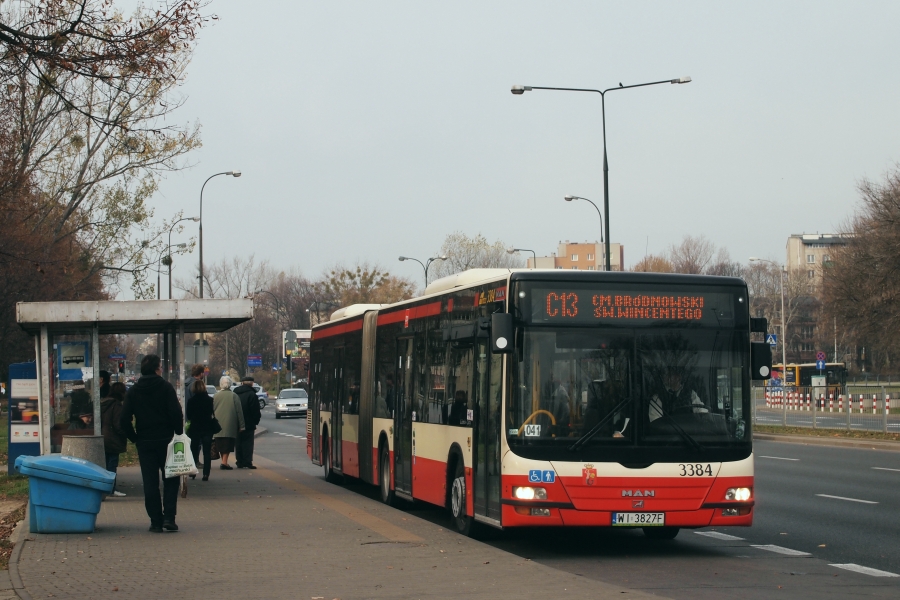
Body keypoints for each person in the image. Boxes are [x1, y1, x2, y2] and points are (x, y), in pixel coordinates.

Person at [120, 354, 184, 533]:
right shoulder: (166, 387)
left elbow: (124, 419)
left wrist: (134, 438)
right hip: (166, 440)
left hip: (145, 441)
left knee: (150, 482)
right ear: (157, 369)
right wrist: (178, 433)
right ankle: (169, 518)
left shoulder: (133, 391)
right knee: (171, 478)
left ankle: (156, 521)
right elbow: (176, 413)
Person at [100, 382, 128, 496]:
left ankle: (104, 488)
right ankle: (111, 488)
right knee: (112, 465)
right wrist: (125, 434)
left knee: (104, 464)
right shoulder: (117, 406)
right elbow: (118, 424)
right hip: (113, 439)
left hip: (102, 437)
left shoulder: (103, 403)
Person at [185, 380, 215, 481]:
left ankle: (193, 472)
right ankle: (206, 473)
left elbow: (188, 416)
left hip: (195, 428)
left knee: (194, 450)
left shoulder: (191, 401)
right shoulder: (210, 400)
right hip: (207, 428)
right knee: (206, 451)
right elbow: (211, 413)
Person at [213, 376, 245, 470]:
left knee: (220, 443)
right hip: (230, 423)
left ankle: (224, 461)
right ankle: (224, 462)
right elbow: (239, 411)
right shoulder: (234, 396)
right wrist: (242, 425)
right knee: (228, 443)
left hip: (217, 423)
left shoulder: (216, 396)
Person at [233, 375, 261, 469]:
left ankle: (239, 461)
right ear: (252, 384)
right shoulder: (252, 394)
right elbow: (255, 410)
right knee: (248, 443)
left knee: (238, 442)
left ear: (242, 383)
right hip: (249, 423)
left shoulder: (235, 393)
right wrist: (256, 421)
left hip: (236, 422)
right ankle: (247, 462)